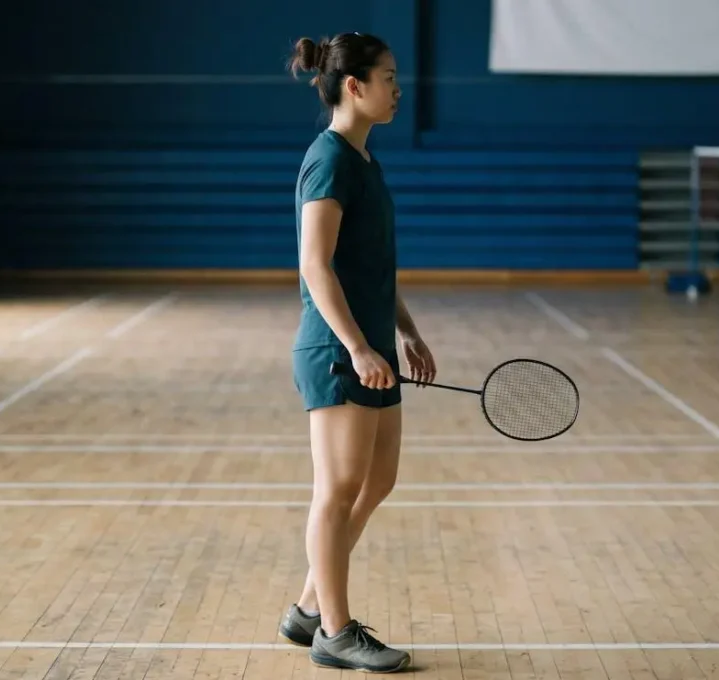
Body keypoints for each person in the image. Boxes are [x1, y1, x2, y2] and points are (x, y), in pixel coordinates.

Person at [281, 31, 436, 673]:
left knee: (378, 481)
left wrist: (406, 331)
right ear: (355, 85)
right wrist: (357, 346)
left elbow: (369, 267)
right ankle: (335, 632)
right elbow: (315, 266)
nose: (398, 90)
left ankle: (307, 608)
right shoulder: (330, 160)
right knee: (338, 489)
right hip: (338, 350)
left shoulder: (365, 160)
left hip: (373, 346)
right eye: (389, 78)